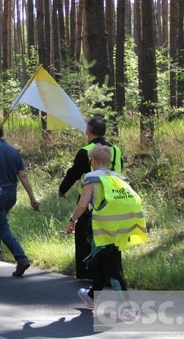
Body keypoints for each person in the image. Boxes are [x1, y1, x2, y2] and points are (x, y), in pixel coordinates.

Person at [68, 145, 145, 309]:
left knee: (112, 268)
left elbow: (82, 204)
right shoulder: (119, 178)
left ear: (93, 161)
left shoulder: (91, 178)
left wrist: (72, 219)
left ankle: (126, 307)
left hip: (102, 230)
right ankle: (91, 297)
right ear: (108, 162)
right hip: (119, 228)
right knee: (102, 262)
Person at [59, 116, 123, 280]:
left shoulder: (86, 151)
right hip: (113, 198)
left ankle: (87, 273)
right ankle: (112, 274)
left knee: (84, 237)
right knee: (110, 238)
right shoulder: (115, 150)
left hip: (90, 199)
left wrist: (62, 189)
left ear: (88, 131)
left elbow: (74, 173)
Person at [0, 123, 40, 277]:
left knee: (2, 226)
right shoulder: (13, 151)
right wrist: (32, 198)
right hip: (11, 194)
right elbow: (23, 176)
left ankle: (21, 258)